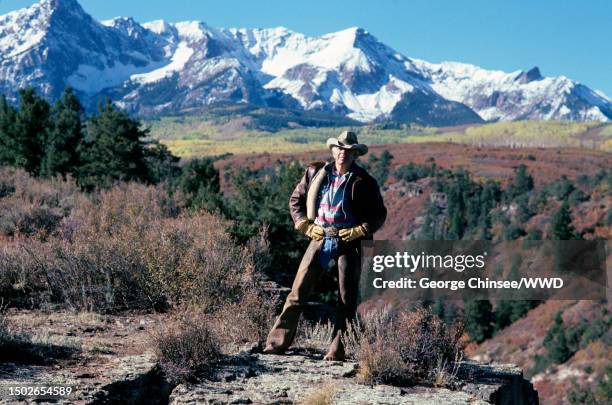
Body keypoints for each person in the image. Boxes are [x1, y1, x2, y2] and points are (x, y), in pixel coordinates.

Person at [263, 130, 387, 361]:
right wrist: (304, 225)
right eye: (339, 148)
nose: (343, 154)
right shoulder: (315, 173)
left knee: (346, 299)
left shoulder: (365, 182)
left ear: (355, 154)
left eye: (348, 151)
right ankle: (276, 343)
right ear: (333, 150)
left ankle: (337, 350)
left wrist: (361, 230)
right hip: (320, 235)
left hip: (350, 242)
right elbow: (295, 200)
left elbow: (379, 214)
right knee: (298, 291)